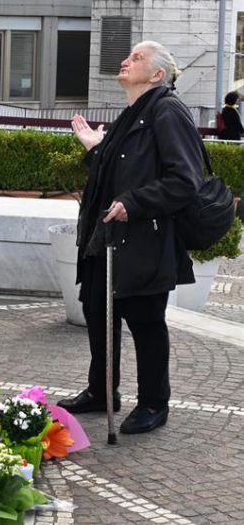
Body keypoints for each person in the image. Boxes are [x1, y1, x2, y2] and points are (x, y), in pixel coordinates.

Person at [56, 41, 203, 435]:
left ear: (157, 74)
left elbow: (185, 180)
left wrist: (135, 204)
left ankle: (154, 403)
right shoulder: (131, 113)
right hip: (104, 238)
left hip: (143, 240)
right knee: (98, 313)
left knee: (145, 321)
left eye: (137, 57)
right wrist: (95, 150)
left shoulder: (167, 111)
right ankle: (102, 391)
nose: (126, 60)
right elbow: (119, 176)